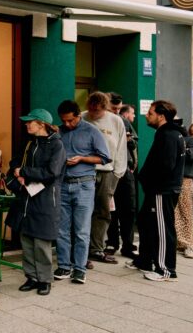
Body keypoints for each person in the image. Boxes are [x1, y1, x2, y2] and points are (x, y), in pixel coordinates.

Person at [6, 109, 65, 296]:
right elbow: (13, 165)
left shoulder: (57, 145)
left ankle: (45, 280)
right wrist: (18, 179)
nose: (26, 125)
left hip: (46, 200)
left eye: (30, 122)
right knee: (27, 239)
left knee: (41, 242)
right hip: (26, 198)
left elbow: (51, 172)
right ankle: (31, 277)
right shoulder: (28, 143)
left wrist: (23, 172)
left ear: (41, 124)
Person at [127, 100, 185, 282]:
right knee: (145, 222)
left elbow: (166, 166)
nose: (147, 115)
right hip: (159, 189)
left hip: (162, 190)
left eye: (150, 113)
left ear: (161, 116)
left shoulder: (168, 135)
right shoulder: (167, 133)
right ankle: (145, 260)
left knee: (162, 228)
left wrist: (150, 182)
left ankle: (166, 270)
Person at [54, 100, 110, 284]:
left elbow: (104, 158)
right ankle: (64, 265)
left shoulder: (91, 131)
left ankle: (79, 269)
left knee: (81, 230)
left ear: (78, 115)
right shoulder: (59, 131)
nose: (67, 124)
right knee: (62, 230)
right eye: (64, 121)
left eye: (71, 120)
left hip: (84, 184)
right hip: (62, 184)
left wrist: (82, 159)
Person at [81, 92, 127, 265]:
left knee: (103, 212)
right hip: (85, 170)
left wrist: (117, 173)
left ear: (105, 108)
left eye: (97, 111)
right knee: (83, 211)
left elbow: (121, 148)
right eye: (91, 109)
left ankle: (96, 248)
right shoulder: (82, 118)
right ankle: (81, 250)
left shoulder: (115, 121)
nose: (93, 113)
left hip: (107, 172)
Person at [106, 104, 139, 259]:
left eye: (118, 108)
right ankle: (112, 243)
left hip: (125, 172)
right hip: (109, 172)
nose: (116, 111)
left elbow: (133, 144)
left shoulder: (123, 121)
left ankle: (128, 245)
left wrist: (133, 165)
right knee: (111, 210)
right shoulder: (104, 122)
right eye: (114, 107)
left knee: (128, 210)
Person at [175, 120, 193, 259]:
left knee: (185, 211)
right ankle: (177, 242)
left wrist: (182, 148)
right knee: (172, 212)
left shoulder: (190, 140)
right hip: (171, 179)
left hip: (185, 179)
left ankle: (188, 244)